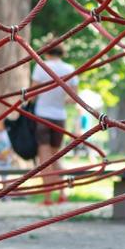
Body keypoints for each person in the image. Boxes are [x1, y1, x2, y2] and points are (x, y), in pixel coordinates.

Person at [30, 45, 78, 204]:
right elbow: (73, 98)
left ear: (47, 51)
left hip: (43, 116)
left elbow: (31, 94)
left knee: (45, 159)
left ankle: (48, 197)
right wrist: (60, 100)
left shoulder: (41, 66)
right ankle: (63, 193)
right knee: (56, 156)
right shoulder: (69, 68)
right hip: (60, 116)